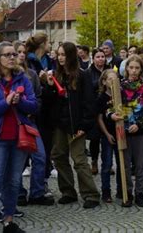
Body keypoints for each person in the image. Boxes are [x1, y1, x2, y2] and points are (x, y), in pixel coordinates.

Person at [0, 41, 38, 233]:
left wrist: (20, 101)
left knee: (13, 182)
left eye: (14, 54)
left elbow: (34, 106)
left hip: (19, 138)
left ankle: (8, 221)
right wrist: (5, 103)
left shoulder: (23, 79)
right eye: (8, 55)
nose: (13, 57)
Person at [44, 42, 100, 209]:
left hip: (76, 124)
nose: (60, 58)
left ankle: (91, 194)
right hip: (60, 124)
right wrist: (50, 87)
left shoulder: (82, 75)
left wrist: (84, 125)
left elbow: (89, 103)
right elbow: (50, 102)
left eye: (63, 55)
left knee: (79, 160)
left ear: (70, 56)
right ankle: (68, 191)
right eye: (58, 54)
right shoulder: (55, 75)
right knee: (59, 156)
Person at [13, 41, 54, 206]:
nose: (22, 55)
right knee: (18, 160)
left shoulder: (32, 74)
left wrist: (33, 108)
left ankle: (36, 192)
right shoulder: (7, 76)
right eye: (18, 52)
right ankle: (18, 193)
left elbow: (38, 97)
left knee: (40, 157)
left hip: (31, 121)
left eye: (23, 52)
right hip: (14, 122)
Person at [118, 55, 143, 207]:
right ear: (126, 68)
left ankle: (140, 192)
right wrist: (112, 114)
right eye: (131, 67)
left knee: (140, 164)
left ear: (141, 70)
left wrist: (139, 125)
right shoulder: (120, 87)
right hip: (123, 130)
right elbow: (111, 106)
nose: (133, 71)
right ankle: (127, 192)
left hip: (140, 131)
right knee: (125, 163)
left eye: (137, 68)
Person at [96, 70, 121, 203]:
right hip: (108, 134)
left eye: (115, 79)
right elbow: (99, 118)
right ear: (104, 82)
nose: (113, 82)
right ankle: (106, 191)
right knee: (107, 164)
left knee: (121, 162)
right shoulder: (102, 98)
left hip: (120, 134)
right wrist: (106, 134)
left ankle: (121, 189)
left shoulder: (121, 95)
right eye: (110, 79)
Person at [83, 48, 109, 175]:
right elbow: (87, 89)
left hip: (107, 107)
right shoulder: (88, 73)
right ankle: (94, 160)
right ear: (93, 59)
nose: (101, 59)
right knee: (95, 138)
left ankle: (107, 162)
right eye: (98, 57)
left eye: (102, 56)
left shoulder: (109, 70)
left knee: (107, 136)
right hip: (94, 107)